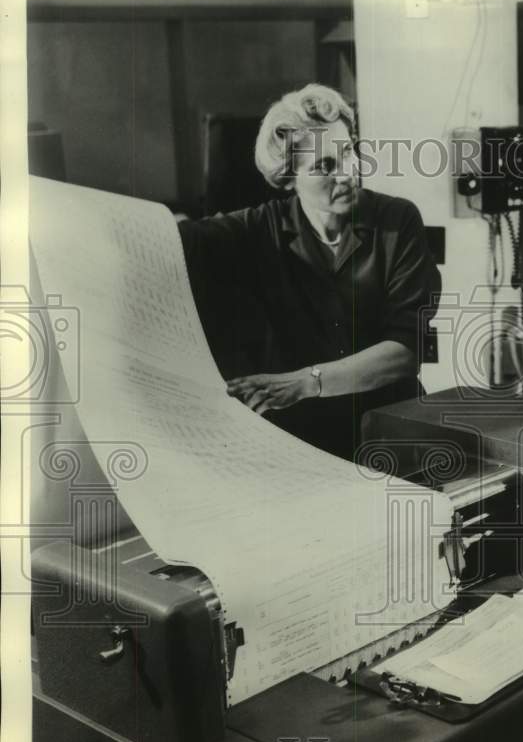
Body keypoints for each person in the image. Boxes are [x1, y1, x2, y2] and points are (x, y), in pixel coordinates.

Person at [179, 84, 440, 460]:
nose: (347, 173)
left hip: (391, 431)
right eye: (324, 166)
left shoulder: (397, 221)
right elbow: (171, 239)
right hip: (306, 444)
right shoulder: (259, 229)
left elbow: (405, 352)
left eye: (348, 152)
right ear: (289, 177)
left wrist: (306, 382)